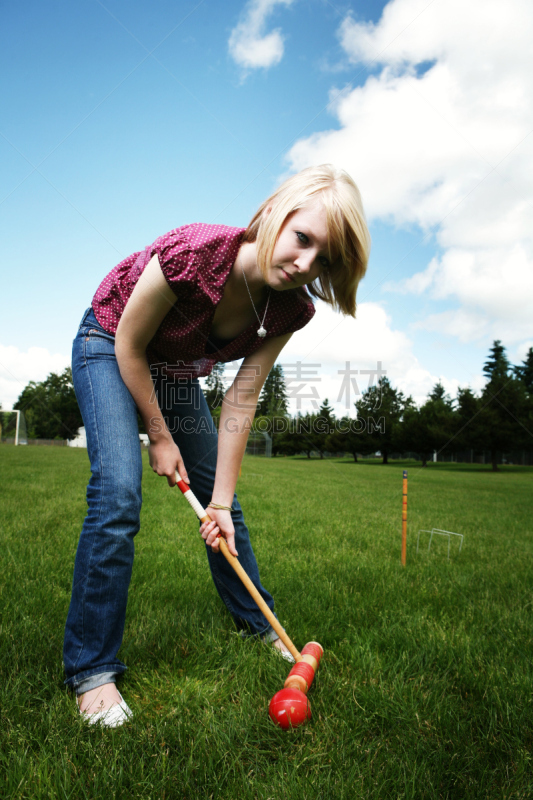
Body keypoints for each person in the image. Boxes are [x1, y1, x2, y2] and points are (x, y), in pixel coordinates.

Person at [64, 164, 371, 727]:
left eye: (324, 260)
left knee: (223, 508)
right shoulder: (197, 252)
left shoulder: (291, 308)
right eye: (303, 240)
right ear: (277, 214)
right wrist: (157, 436)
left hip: (175, 370)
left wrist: (221, 502)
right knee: (118, 496)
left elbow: (241, 399)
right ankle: (92, 672)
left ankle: (262, 628)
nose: (305, 264)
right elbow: (130, 343)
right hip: (110, 343)